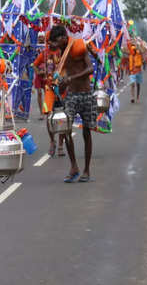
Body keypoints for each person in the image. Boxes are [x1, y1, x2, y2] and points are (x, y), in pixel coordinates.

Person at [54, 25, 96, 183]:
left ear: (64, 37)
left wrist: (72, 78)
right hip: (71, 95)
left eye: (57, 41)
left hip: (85, 93)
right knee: (64, 129)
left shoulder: (79, 46)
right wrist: (62, 84)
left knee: (87, 132)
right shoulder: (62, 54)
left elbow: (90, 68)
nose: (56, 45)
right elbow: (65, 75)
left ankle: (87, 170)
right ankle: (74, 167)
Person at [33, 29, 67, 156]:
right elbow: (35, 65)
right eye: (51, 41)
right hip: (49, 89)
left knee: (62, 118)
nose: (53, 43)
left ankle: (60, 145)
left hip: (62, 89)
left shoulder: (63, 53)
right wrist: (39, 72)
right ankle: (52, 141)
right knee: (49, 117)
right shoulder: (44, 53)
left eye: (55, 40)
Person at [33, 32, 47, 120]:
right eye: (40, 37)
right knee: (39, 92)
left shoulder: (47, 47)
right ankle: (41, 112)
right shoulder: (35, 47)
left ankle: (47, 110)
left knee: (47, 92)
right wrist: (37, 71)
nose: (41, 39)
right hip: (38, 72)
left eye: (42, 37)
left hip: (46, 72)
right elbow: (33, 61)